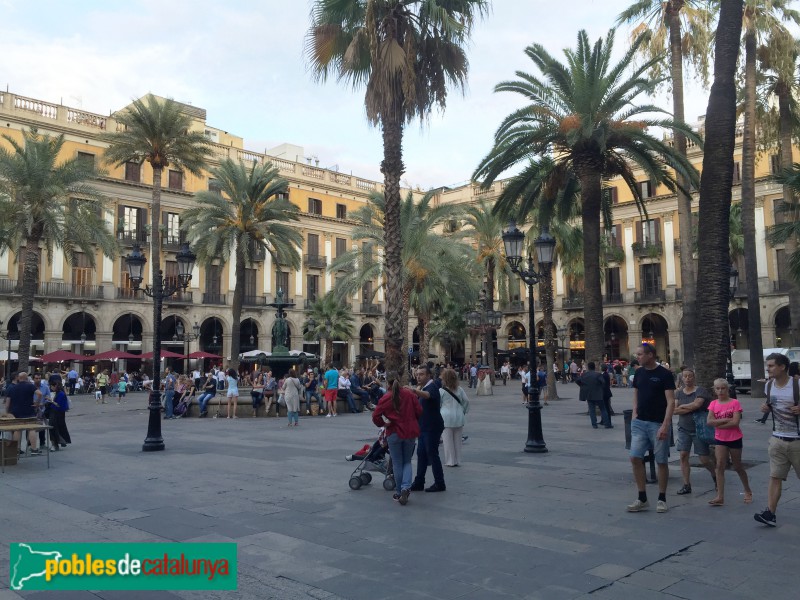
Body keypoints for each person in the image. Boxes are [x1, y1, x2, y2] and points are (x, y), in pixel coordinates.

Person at [627, 343, 675, 514]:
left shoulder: (664, 374)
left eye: (640, 354)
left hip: (658, 423)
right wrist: (634, 413)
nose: (637, 357)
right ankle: (642, 497)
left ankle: (662, 498)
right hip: (639, 422)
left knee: (661, 461)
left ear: (650, 355)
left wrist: (665, 424)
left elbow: (670, 401)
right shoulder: (639, 372)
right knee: (634, 457)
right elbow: (636, 394)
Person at [754, 353, 800, 527]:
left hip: (797, 440)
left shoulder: (797, 384)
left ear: (782, 367)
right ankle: (770, 513)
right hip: (777, 439)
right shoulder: (769, 386)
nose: (768, 368)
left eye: (772, 365)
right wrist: (766, 407)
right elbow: (772, 405)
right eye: (768, 365)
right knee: (775, 476)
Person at [372, 371, 422, 505]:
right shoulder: (409, 394)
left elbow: (375, 416)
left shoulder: (386, 397)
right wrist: (412, 419)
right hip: (410, 431)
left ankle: (399, 491)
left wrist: (384, 423)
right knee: (407, 461)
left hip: (393, 431)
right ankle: (406, 487)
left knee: (397, 462)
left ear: (386, 382)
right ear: (399, 380)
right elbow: (419, 411)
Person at [706, 378, 752, 506]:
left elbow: (735, 422)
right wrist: (725, 419)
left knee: (737, 466)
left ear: (728, 389)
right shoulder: (713, 404)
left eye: (723, 388)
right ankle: (720, 496)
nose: (720, 391)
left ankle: (747, 489)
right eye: (718, 388)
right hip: (720, 439)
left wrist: (718, 424)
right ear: (714, 390)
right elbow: (709, 421)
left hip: (734, 438)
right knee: (720, 465)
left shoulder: (735, 403)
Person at [673, 368, 716, 495]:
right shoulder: (678, 393)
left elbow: (697, 405)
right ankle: (686, 485)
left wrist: (682, 407)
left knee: (704, 459)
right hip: (683, 429)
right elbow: (674, 410)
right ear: (682, 378)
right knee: (683, 455)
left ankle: (715, 476)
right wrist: (688, 407)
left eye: (690, 376)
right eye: (685, 376)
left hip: (699, 430)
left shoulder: (700, 390)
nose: (687, 378)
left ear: (694, 377)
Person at [409, 365, 446, 493]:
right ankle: (419, 482)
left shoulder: (433, 387)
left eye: (422, 374)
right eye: (417, 374)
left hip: (432, 427)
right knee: (421, 454)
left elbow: (428, 395)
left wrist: (414, 391)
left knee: (432, 454)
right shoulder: (424, 387)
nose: (418, 376)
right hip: (423, 427)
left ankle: (440, 483)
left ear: (429, 375)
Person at [4, 372, 41, 455]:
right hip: (29, 411)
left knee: (17, 430)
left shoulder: (12, 388)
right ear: (26, 378)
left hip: (16, 412)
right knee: (31, 429)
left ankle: (16, 449)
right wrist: (37, 403)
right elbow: (39, 393)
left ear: (18, 378)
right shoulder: (30, 386)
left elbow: (7, 402)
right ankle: (34, 449)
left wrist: (7, 412)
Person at [440, 368, 470, 467]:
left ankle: (450, 461)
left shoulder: (441, 391)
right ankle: (457, 460)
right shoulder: (460, 389)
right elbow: (466, 401)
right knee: (457, 441)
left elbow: (439, 404)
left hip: (446, 417)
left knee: (447, 441)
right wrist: (463, 411)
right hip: (459, 416)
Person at [577, 362, 611, 428]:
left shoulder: (584, 375)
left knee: (592, 410)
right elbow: (603, 382)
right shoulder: (598, 375)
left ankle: (594, 424)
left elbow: (578, 380)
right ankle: (607, 424)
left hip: (589, 394)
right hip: (598, 394)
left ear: (588, 367)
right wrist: (600, 387)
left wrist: (583, 386)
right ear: (594, 367)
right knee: (603, 409)